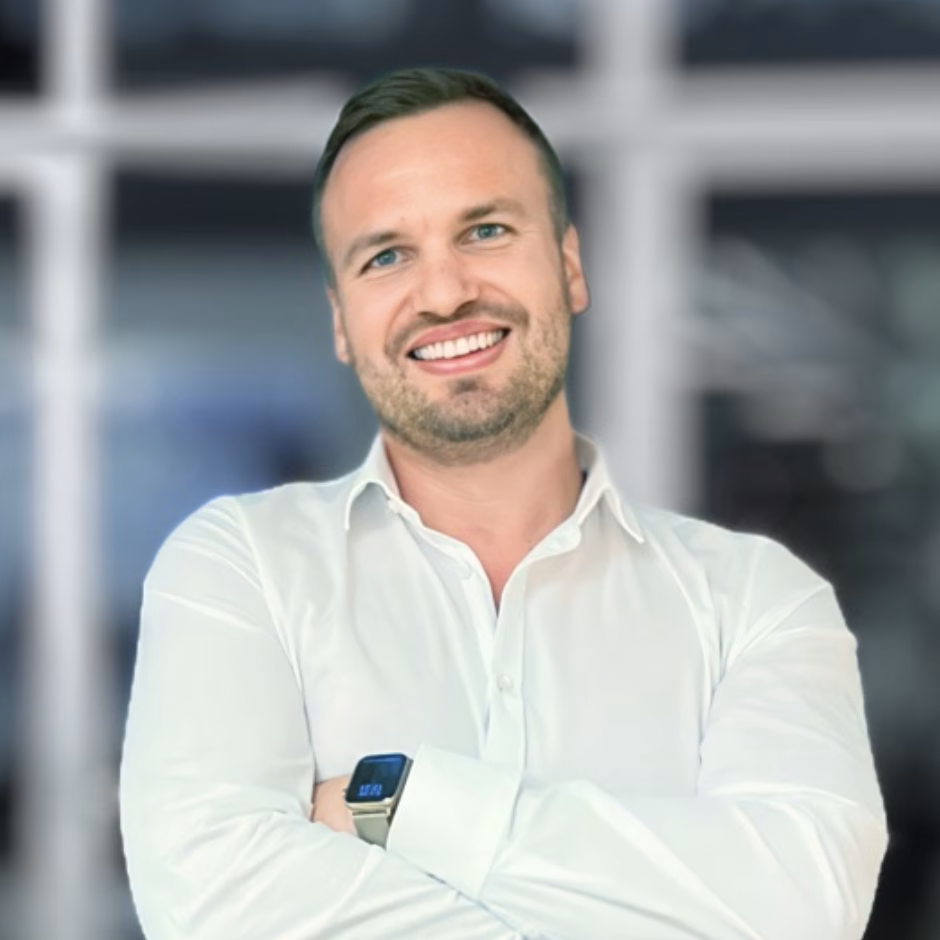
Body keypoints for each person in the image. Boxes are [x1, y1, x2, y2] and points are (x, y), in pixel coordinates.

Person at [120, 67, 887, 940]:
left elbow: (805, 907)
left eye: (484, 231)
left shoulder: (756, 602)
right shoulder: (240, 568)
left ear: (569, 266)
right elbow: (214, 903)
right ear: (341, 321)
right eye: (386, 256)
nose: (445, 293)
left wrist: (405, 803)